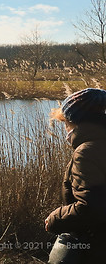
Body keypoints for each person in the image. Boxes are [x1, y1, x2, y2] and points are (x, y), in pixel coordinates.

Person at [46, 88, 106, 263]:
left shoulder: (86, 153)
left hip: (95, 243)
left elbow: (90, 206)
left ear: (75, 121)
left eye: (65, 121)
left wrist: (55, 218)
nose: (64, 127)